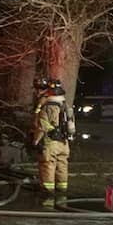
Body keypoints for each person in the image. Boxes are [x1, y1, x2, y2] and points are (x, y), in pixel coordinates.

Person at [31, 78, 76, 208]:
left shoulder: (47, 107)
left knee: (48, 166)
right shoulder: (66, 105)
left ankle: (48, 195)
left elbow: (42, 126)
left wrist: (36, 141)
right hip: (64, 143)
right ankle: (62, 192)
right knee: (62, 166)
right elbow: (71, 125)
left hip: (51, 143)